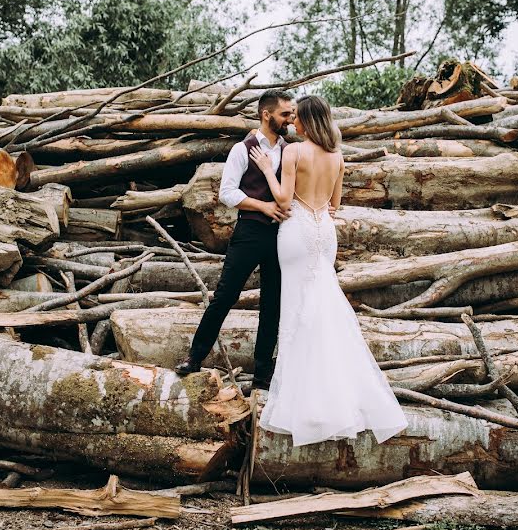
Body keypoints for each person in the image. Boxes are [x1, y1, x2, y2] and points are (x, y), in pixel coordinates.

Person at [248, 94, 408, 447]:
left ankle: (300, 402)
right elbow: (335, 205)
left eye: (296, 118)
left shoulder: (294, 152)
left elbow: (284, 201)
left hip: (296, 230)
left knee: (296, 310)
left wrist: (264, 169)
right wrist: (319, 210)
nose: (292, 122)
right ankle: (334, 395)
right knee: (322, 306)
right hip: (324, 231)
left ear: (306, 120)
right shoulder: (337, 157)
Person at [174, 89, 295, 390]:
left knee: (272, 305)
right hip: (250, 232)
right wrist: (263, 205)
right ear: (267, 115)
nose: (290, 120)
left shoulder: (290, 149)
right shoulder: (243, 149)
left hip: (280, 236)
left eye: (291, 114)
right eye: (285, 114)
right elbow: (227, 193)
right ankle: (195, 357)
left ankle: (263, 376)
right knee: (225, 296)